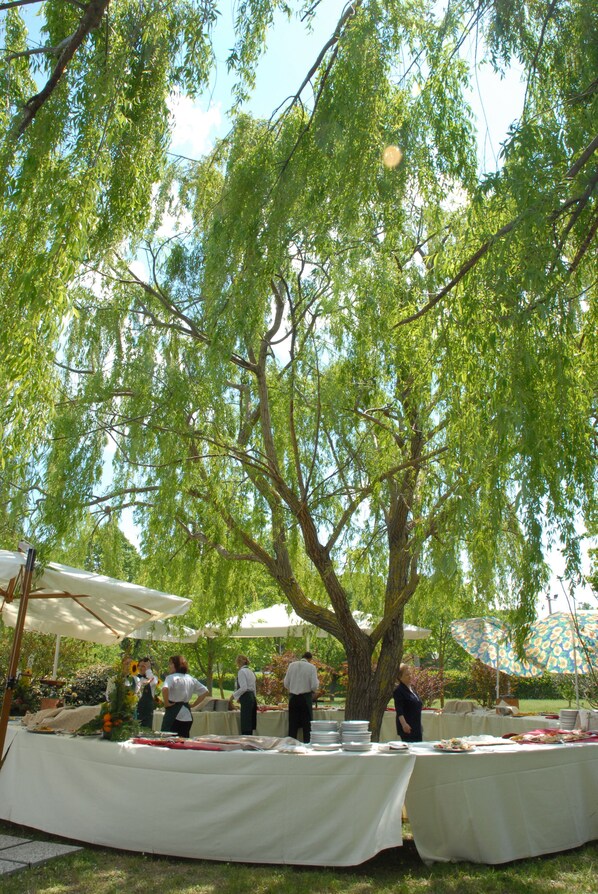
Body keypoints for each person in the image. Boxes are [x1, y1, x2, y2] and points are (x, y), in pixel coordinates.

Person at [161, 655, 209, 738]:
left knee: (168, 740)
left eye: (171, 663)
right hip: (187, 715)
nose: (169, 666)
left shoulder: (171, 677)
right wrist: (194, 705)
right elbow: (205, 691)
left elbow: (165, 689)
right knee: (183, 741)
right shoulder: (190, 678)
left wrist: (166, 703)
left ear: (177, 665)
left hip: (173, 713)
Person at [283, 652, 319, 743]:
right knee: (307, 725)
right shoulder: (311, 667)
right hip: (305, 698)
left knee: (293, 724)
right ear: (310, 659)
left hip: (293, 698)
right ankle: (307, 744)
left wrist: (293, 687)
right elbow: (314, 685)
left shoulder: (291, 665)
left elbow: (286, 683)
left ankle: (291, 744)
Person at [393, 663, 423, 742]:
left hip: (416, 726)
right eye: (406, 675)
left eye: (410, 674)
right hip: (407, 727)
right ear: (400, 677)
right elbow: (399, 710)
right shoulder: (399, 691)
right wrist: (404, 724)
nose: (410, 676)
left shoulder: (412, 689)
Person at [229, 655, 258, 735]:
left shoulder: (241, 672)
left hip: (247, 697)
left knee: (246, 724)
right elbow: (254, 688)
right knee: (250, 724)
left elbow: (244, 688)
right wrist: (254, 699)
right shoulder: (251, 671)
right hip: (252, 697)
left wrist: (233, 696)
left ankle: (245, 741)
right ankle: (249, 741)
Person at [135, 656, 158, 730]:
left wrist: (148, 669)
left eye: (144, 666)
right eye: (140, 666)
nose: (141, 668)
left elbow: (154, 682)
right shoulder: (134, 678)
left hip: (146, 715)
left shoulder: (153, 678)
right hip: (134, 712)